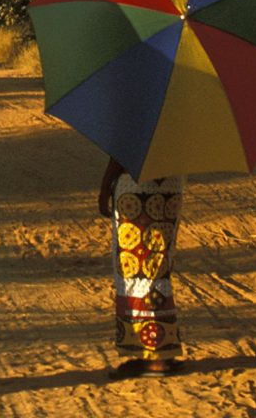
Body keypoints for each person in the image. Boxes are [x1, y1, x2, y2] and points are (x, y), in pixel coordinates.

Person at [97, 156, 185, 377]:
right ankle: (162, 349)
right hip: (171, 185)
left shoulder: (135, 118)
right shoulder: (179, 121)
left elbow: (123, 149)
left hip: (136, 188)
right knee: (158, 267)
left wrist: (106, 185)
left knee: (136, 272)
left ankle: (154, 355)